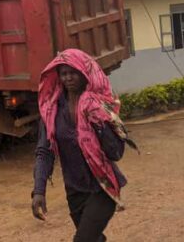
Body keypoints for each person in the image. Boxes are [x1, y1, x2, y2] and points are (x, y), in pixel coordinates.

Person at [32, 49, 135, 242]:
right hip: (74, 191)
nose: (69, 77)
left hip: (101, 188)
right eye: (64, 73)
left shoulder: (97, 107)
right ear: (58, 76)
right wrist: (39, 190)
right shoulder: (51, 111)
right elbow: (44, 152)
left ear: (84, 73)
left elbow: (116, 153)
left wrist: (99, 124)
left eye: (74, 72)